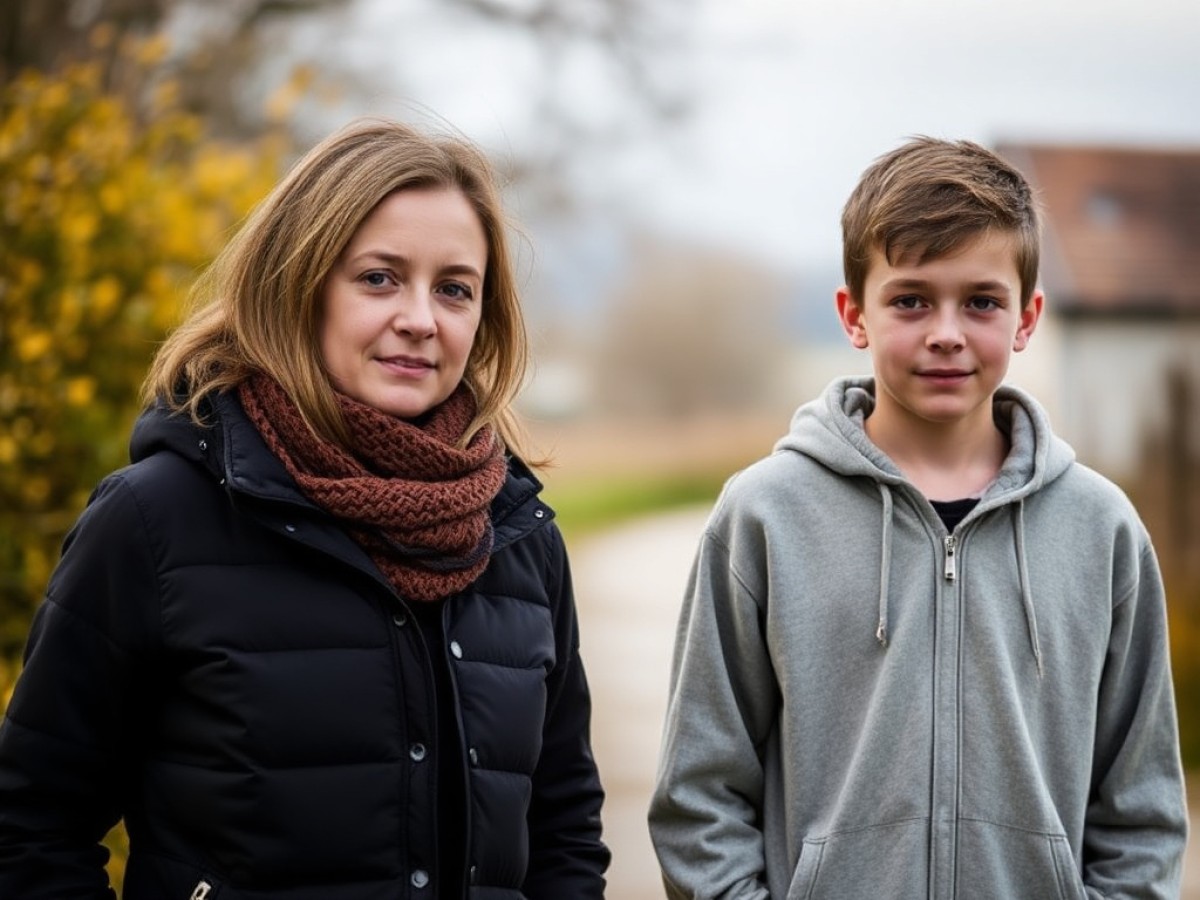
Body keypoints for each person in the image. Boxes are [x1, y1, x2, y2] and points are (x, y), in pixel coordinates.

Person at [0, 117, 609, 899]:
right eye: (380, 277)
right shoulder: (153, 523)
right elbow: (31, 828)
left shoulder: (517, 538)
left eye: (454, 288)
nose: (421, 318)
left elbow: (563, 831)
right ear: (300, 283)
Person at [647, 137, 1187, 898]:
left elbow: (1142, 813)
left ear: (1027, 317)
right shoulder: (765, 514)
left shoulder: (1102, 530)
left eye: (981, 301)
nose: (946, 332)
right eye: (910, 299)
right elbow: (700, 795)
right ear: (853, 314)